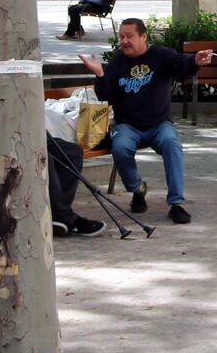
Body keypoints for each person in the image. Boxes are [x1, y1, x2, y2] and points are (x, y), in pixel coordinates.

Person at [86, 18, 205, 222]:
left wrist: (195, 61)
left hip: (159, 124)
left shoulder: (161, 55)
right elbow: (105, 95)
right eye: (122, 36)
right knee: (121, 148)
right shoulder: (117, 62)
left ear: (143, 36)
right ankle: (138, 189)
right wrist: (99, 74)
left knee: (172, 145)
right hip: (127, 125)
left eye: (129, 36)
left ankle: (176, 203)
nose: (124, 41)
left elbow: (182, 65)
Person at [41, 98, 104, 237]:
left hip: (36, 135)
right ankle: (66, 217)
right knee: (46, 158)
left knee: (73, 152)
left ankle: (58, 214)